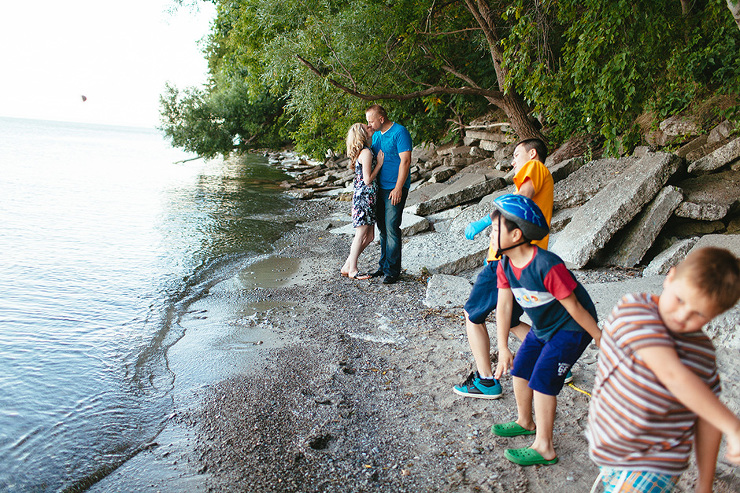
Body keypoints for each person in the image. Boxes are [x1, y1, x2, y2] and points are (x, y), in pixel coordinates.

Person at [587, 247, 740, 492]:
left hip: (656, 462)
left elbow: (706, 419)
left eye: (698, 313)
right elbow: (671, 374)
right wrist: (733, 425)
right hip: (609, 448)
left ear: (716, 314)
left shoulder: (702, 353)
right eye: (680, 299)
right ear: (670, 277)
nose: (682, 315)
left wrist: (705, 484)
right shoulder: (636, 310)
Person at [488, 194, 601, 467]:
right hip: (543, 326)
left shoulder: (546, 265)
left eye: (494, 231)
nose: (490, 236)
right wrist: (503, 348)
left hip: (572, 328)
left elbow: (574, 307)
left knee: (542, 379)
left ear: (516, 235)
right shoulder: (505, 264)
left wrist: (600, 337)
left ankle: (545, 446)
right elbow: (504, 308)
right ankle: (525, 421)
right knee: (521, 368)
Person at [453, 138, 555, 399]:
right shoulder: (542, 178)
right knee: (508, 319)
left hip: (506, 258)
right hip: (525, 259)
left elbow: (521, 201)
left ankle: (486, 381)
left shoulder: (535, 168)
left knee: (472, 314)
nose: (513, 161)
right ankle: (555, 362)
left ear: (532, 154)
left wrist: (489, 219)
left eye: (516, 154)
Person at [364, 104, 412, 285]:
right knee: (382, 229)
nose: (369, 124)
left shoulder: (400, 132)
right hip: (379, 188)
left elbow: (406, 161)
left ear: (381, 119)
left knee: (392, 227)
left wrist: (399, 187)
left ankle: (393, 271)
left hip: (395, 187)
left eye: (371, 121)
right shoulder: (376, 135)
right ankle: (383, 266)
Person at [340, 123, 384, 279]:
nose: (370, 127)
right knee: (360, 235)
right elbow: (367, 180)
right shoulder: (366, 152)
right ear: (362, 134)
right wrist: (379, 164)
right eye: (367, 127)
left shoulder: (366, 151)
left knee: (370, 237)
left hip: (369, 198)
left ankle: (347, 265)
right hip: (364, 198)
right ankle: (353, 270)